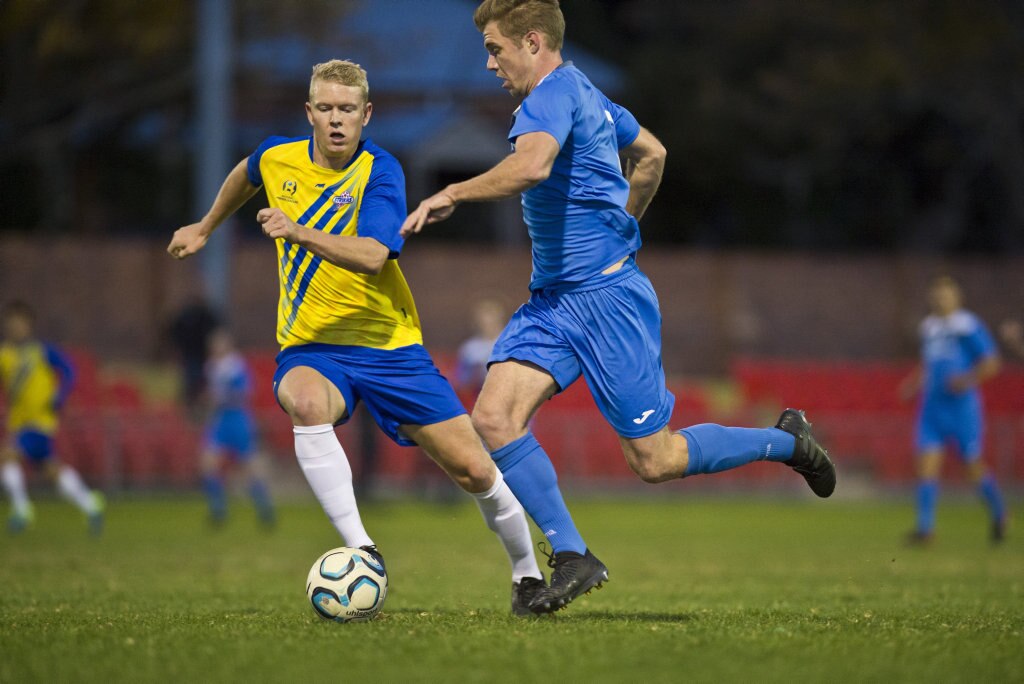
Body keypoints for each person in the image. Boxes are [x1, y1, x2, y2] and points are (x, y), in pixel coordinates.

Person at [402, 0, 836, 614]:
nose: (491, 64)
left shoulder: (549, 96)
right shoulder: (589, 93)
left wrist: (452, 190)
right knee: (495, 419)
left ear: (532, 42)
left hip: (606, 303)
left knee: (654, 460)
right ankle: (574, 554)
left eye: (496, 49)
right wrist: (622, 224)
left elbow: (532, 165)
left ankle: (786, 441)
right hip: (553, 303)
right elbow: (653, 154)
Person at [167, 59, 544, 615]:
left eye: (348, 110)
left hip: (390, 348)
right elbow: (247, 172)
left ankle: (528, 576)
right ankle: (362, 548)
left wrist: (297, 230)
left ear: (367, 114)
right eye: (326, 108)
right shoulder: (279, 156)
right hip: (312, 346)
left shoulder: (381, 170)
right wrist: (205, 225)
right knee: (304, 399)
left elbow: (374, 255)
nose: (337, 120)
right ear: (309, 113)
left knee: (474, 469)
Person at [900, 276, 1006, 544]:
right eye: (936, 295)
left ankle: (1000, 512)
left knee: (972, 466)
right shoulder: (929, 328)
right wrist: (913, 384)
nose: (940, 300)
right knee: (926, 465)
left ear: (957, 298)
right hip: (932, 409)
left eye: (945, 295)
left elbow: (992, 362)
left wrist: (967, 380)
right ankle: (926, 529)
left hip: (962, 410)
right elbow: (929, 365)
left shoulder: (967, 326)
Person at [0, 301, 105, 535]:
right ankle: (90, 504)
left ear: (29, 325)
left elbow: (69, 371)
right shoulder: (5, 355)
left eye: (20, 323)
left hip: (39, 421)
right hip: (18, 423)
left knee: (6, 456)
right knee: (51, 470)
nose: (15, 328)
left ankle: (21, 510)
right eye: (11, 324)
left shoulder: (41, 351)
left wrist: (60, 396)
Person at [199, 327, 276, 528]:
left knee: (249, 467)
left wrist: (224, 397)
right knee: (208, 463)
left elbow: (246, 392)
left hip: (238, 420)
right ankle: (218, 511)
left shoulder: (236, 366)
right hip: (220, 421)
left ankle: (265, 509)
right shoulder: (211, 366)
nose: (216, 348)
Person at [454, 299, 507, 397]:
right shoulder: (469, 348)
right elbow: (460, 379)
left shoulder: (509, 344)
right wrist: (474, 373)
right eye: (484, 321)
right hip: (478, 396)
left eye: (492, 321)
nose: (487, 325)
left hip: (505, 394)